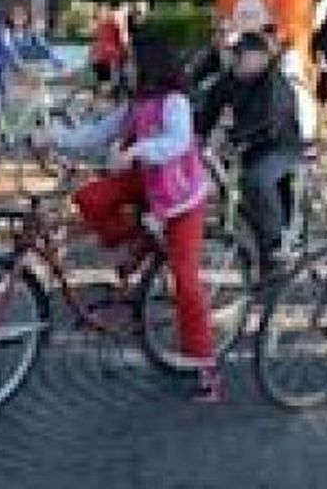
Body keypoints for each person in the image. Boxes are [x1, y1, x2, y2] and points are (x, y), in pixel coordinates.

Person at [48, 34, 218, 401]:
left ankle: (204, 366)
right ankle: (138, 238)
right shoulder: (136, 105)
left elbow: (177, 143)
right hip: (148, 183)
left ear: (149, 65)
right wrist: (55, 138)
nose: (124, 68)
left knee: (186, 284)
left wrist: (137, 150)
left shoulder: (175, 103)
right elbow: (97, 133)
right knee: (90, 197)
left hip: (181, 198)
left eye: (130, 62)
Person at [194, 32, 302, 276]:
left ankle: (277, 243)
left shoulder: (276, 84)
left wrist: (234, 138)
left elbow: (270, 122)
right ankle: (256, 250)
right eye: (236, 55)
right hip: (247, 147)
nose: (236, 60)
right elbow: (210, 106)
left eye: (242, 55)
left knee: (257, 180)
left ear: (261, 58)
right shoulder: (231, 80)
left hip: (280, 147)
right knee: (232, 188)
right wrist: (198, 134)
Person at [89, 3, 130, 91]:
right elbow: (121, 38)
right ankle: (111, 86)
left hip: (107, 54)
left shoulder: (106, 24)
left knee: (110, 69)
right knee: (109, 69)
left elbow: (119, 38)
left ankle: (108, 86)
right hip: (107, 54)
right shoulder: (106, 24)